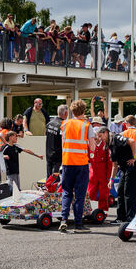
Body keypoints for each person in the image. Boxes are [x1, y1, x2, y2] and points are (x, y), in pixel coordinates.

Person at [59, 99, 96, 233]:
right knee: (80, 195)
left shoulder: (65, 124)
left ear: (71, 111)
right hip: (81, 163)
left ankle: (63, 220)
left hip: (67, 162)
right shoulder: (87, 125)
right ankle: (78, 225)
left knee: (67, 192)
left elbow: (63, 143)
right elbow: (92, 146)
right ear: (84, 111)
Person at [105, 126, 136, 224]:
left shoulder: (116, 138)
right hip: (124, 168)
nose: (99, 138)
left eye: (100, 135)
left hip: (132, 166)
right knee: (120, 192)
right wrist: (111, 180)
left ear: (106, 133)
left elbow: (132, 141)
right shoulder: (110, 145)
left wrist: (134, 157)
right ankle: (121, 217)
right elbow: (114, 166)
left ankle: (130, 218)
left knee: (128, 192)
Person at [88, 126, 113, 214]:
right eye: (95, 137)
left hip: (103, 173)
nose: (96, 138)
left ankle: (103, 212)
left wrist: (109, 176)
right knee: (90, 193)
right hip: (93, 173)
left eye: (98, 136)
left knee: (103, 194)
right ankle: (90, 211)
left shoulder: (106, 145)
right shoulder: (90, 145)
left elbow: (109, 162)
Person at [45, 104, 68, 178]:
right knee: (56, 180)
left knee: (49, 179)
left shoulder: (49, 123)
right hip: (58, 157)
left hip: (49, 155)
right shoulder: (63, 125)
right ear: (66, 113)